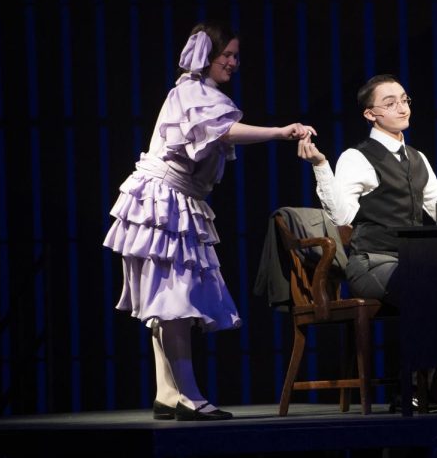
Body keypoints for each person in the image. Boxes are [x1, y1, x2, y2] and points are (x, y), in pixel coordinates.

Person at [103, 21, 315, 421]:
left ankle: (168, 392)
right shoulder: (191, 93)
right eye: (227, 55)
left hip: (171, 200)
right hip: (161, 202)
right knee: (173, 300)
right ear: (207, 56)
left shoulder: (197, 94)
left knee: (168, 299)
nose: (233, 62)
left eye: (236, 55)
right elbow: (221, 133)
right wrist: (280, 131)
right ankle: (190, 396)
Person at [297, 74, 437, 308]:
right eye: (391, 104)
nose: (402, 109)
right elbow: (341, 217)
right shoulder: (357, 157)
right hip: (373, 264)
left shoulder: (417, 157)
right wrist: (321, 165)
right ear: (370, 114)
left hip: (413, 260)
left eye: (404, 100)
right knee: (427, 285)